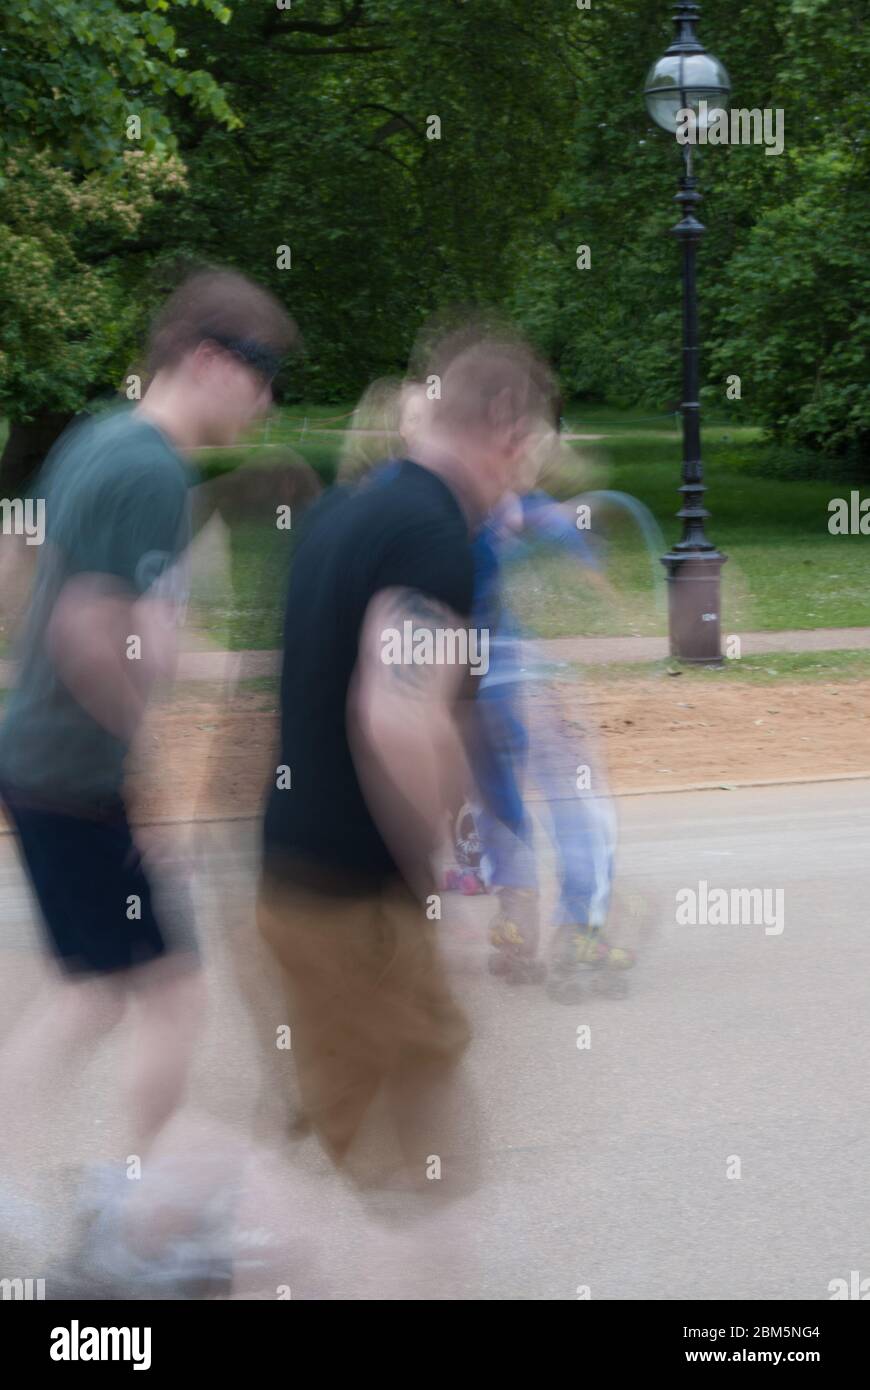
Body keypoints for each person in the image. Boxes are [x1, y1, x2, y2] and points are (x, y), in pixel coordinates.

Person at [0, 269, 298, 1257]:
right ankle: (140, 1222)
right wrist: (150, 775)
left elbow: (24, 568)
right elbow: (90, 629)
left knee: (94, 990)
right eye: (260, 377)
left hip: (41, 757)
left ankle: (113, 1199)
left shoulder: (97, 436)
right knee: (170, 993)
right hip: (81, 776)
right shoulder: (146, 469)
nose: (265, 401)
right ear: (209, 360)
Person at [258, 332, 553, 1194]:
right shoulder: (430, 535)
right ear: (501, 421)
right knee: (422, 1183)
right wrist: (434, 869)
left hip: (293, 877)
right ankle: (154, 1249)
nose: (525, 468)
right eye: (529, 441)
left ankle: (159, 1240)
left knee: (353, 1148)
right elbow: (394, 715)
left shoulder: (350, 508)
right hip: (355, 902)